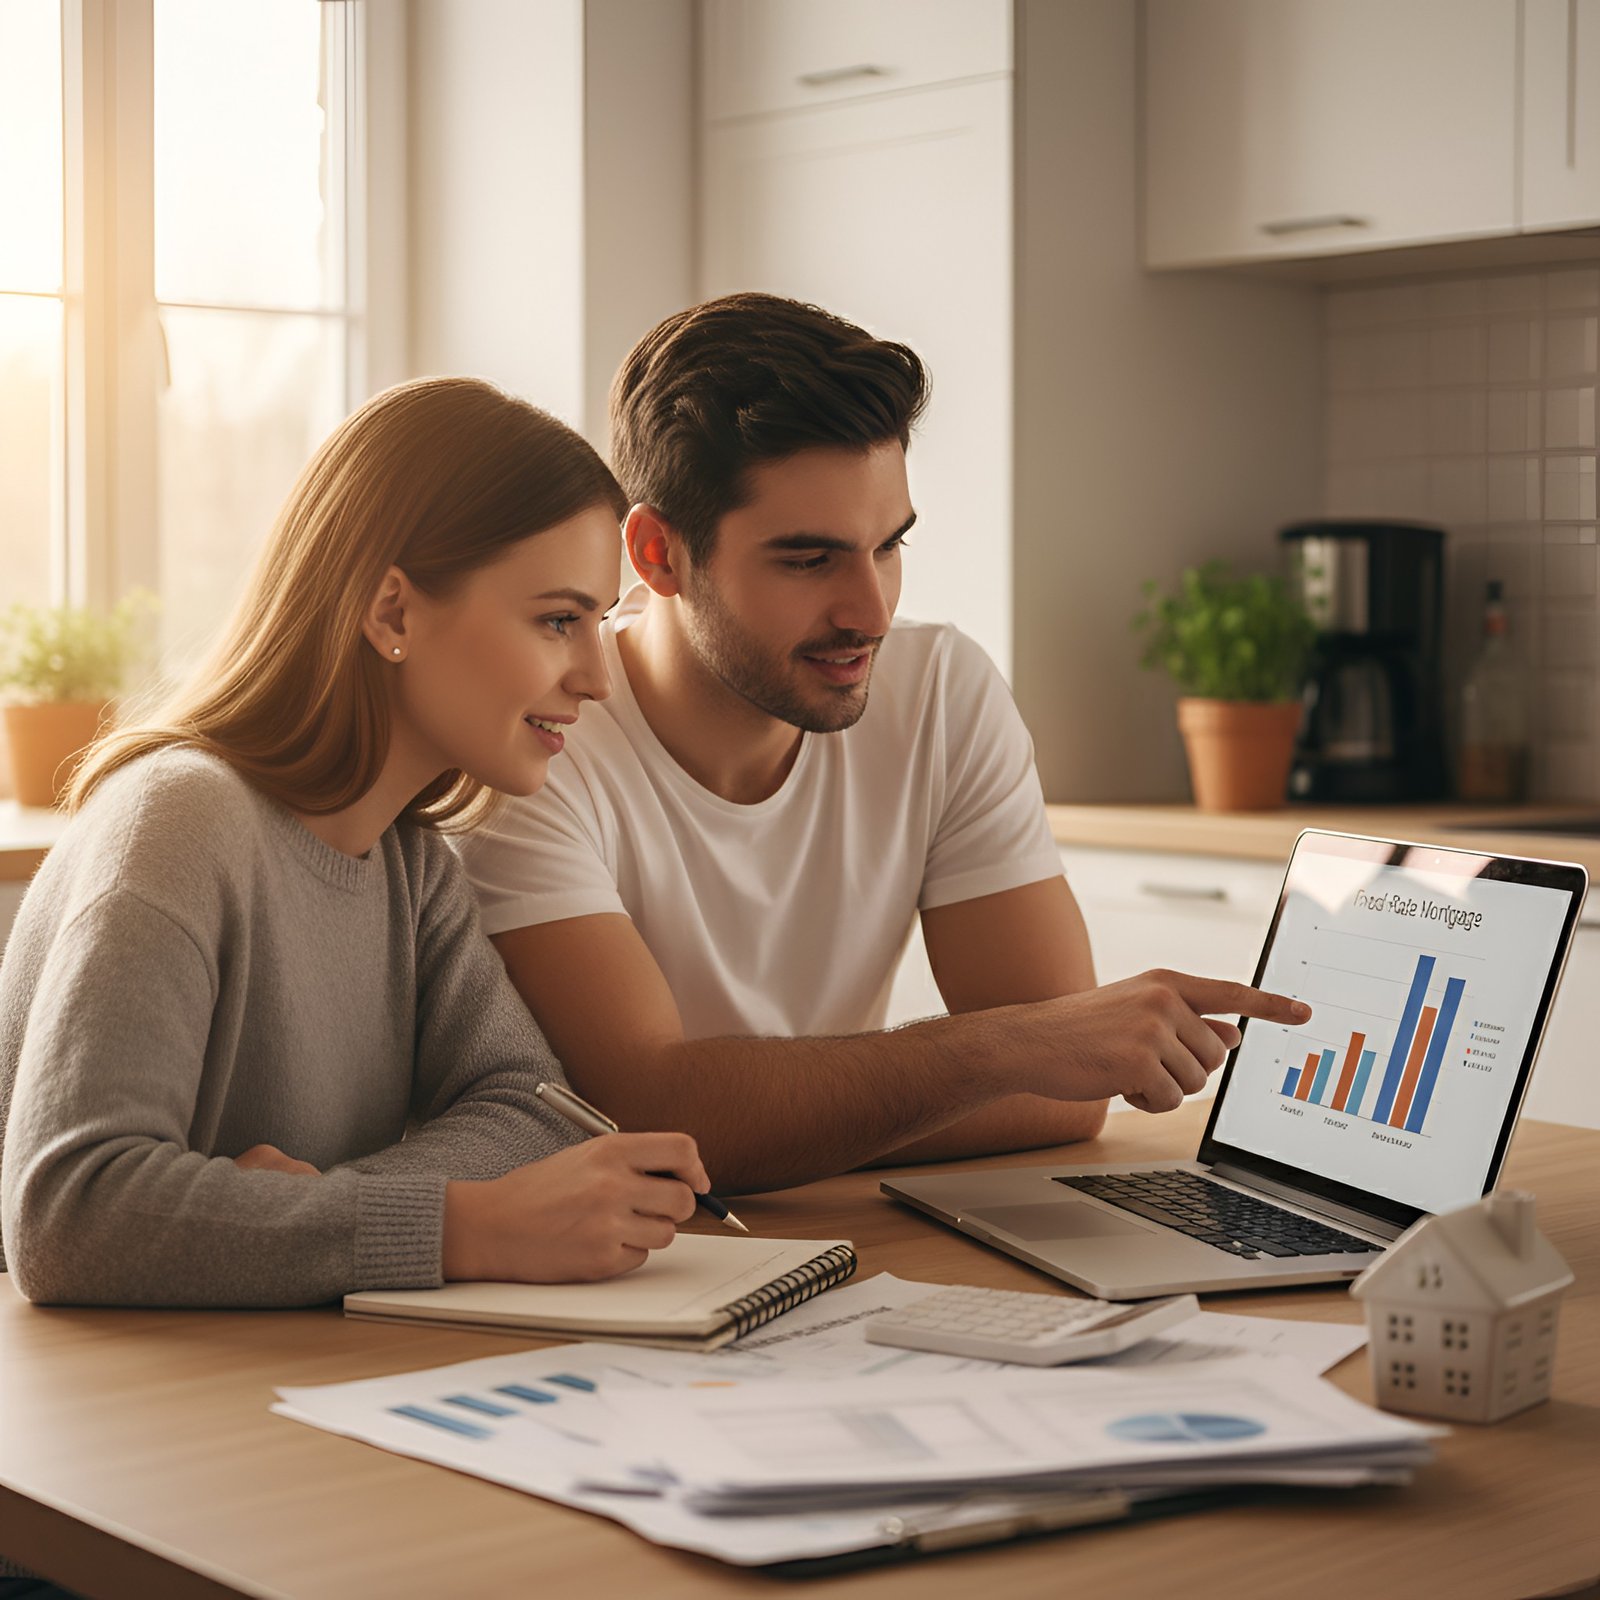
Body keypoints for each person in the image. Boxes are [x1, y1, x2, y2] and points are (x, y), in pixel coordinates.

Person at [458, 294, 1310, 1193]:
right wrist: (999, 1052)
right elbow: (648, 1111)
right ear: (659, 553)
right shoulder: (539, 744)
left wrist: (778, 1121)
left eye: (889, 547)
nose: (871, 614)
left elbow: (1066, 1093)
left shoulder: (942, 692)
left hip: (826, 1238)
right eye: (807, 559)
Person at [0, 377, 710, 1312]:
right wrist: (468, 1226)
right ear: (393, 614)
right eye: (557, 620)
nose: (596, 677)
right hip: (96, 1420)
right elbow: (71, 1215)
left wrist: (315, 1214)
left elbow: (531, 1109)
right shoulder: (177, 824)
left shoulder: (411, 864)